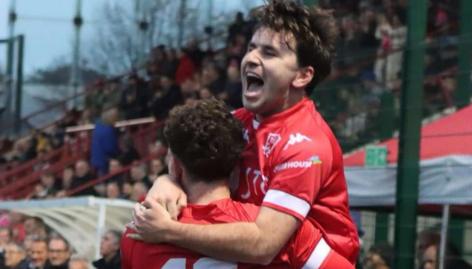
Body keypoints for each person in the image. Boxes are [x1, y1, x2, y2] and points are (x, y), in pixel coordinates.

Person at [133, 0, 359, 267]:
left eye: (269, 53)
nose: (251, 58)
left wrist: (170, 230)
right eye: (251, 48)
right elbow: (182, 151)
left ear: (302, 76)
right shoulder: (239, 121)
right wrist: (166, 181)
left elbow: (263, 244)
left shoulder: (307, 146)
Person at [123, 99, 352, 269]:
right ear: (236, 166)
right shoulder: (281, 232)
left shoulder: (142, 229)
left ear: (175, 165)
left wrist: (164, 179)